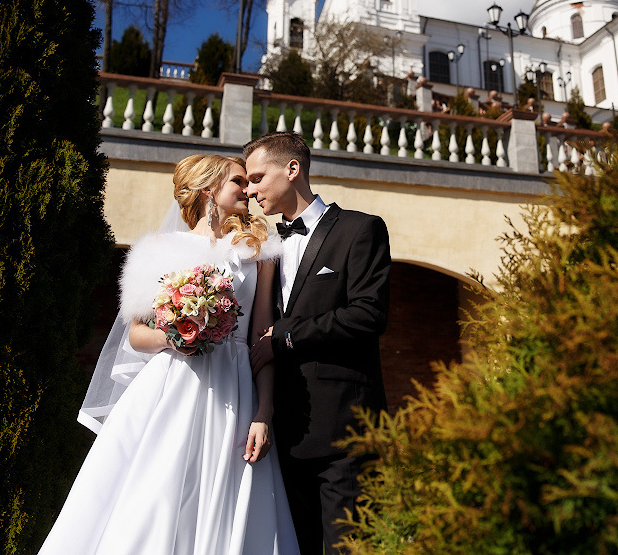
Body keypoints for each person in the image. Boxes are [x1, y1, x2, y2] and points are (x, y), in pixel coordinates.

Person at [39, 154, 299, 555]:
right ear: (209, 189)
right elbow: (136, 334)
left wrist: (264, 411)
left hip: (235, 390)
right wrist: (175, 336)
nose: (248, 190)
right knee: (156, 493)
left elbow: (261, 338)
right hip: (171, 386)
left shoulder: (257, 251)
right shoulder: (158, 248)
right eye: (238, 181)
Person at [243, 132, 391, 554]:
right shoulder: (266, 249)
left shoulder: (360, 230)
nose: (250, 191)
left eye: (257, 178)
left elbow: (368, 315)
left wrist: (286, 336)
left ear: (292, 169)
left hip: (345, 433)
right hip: (282, 436)